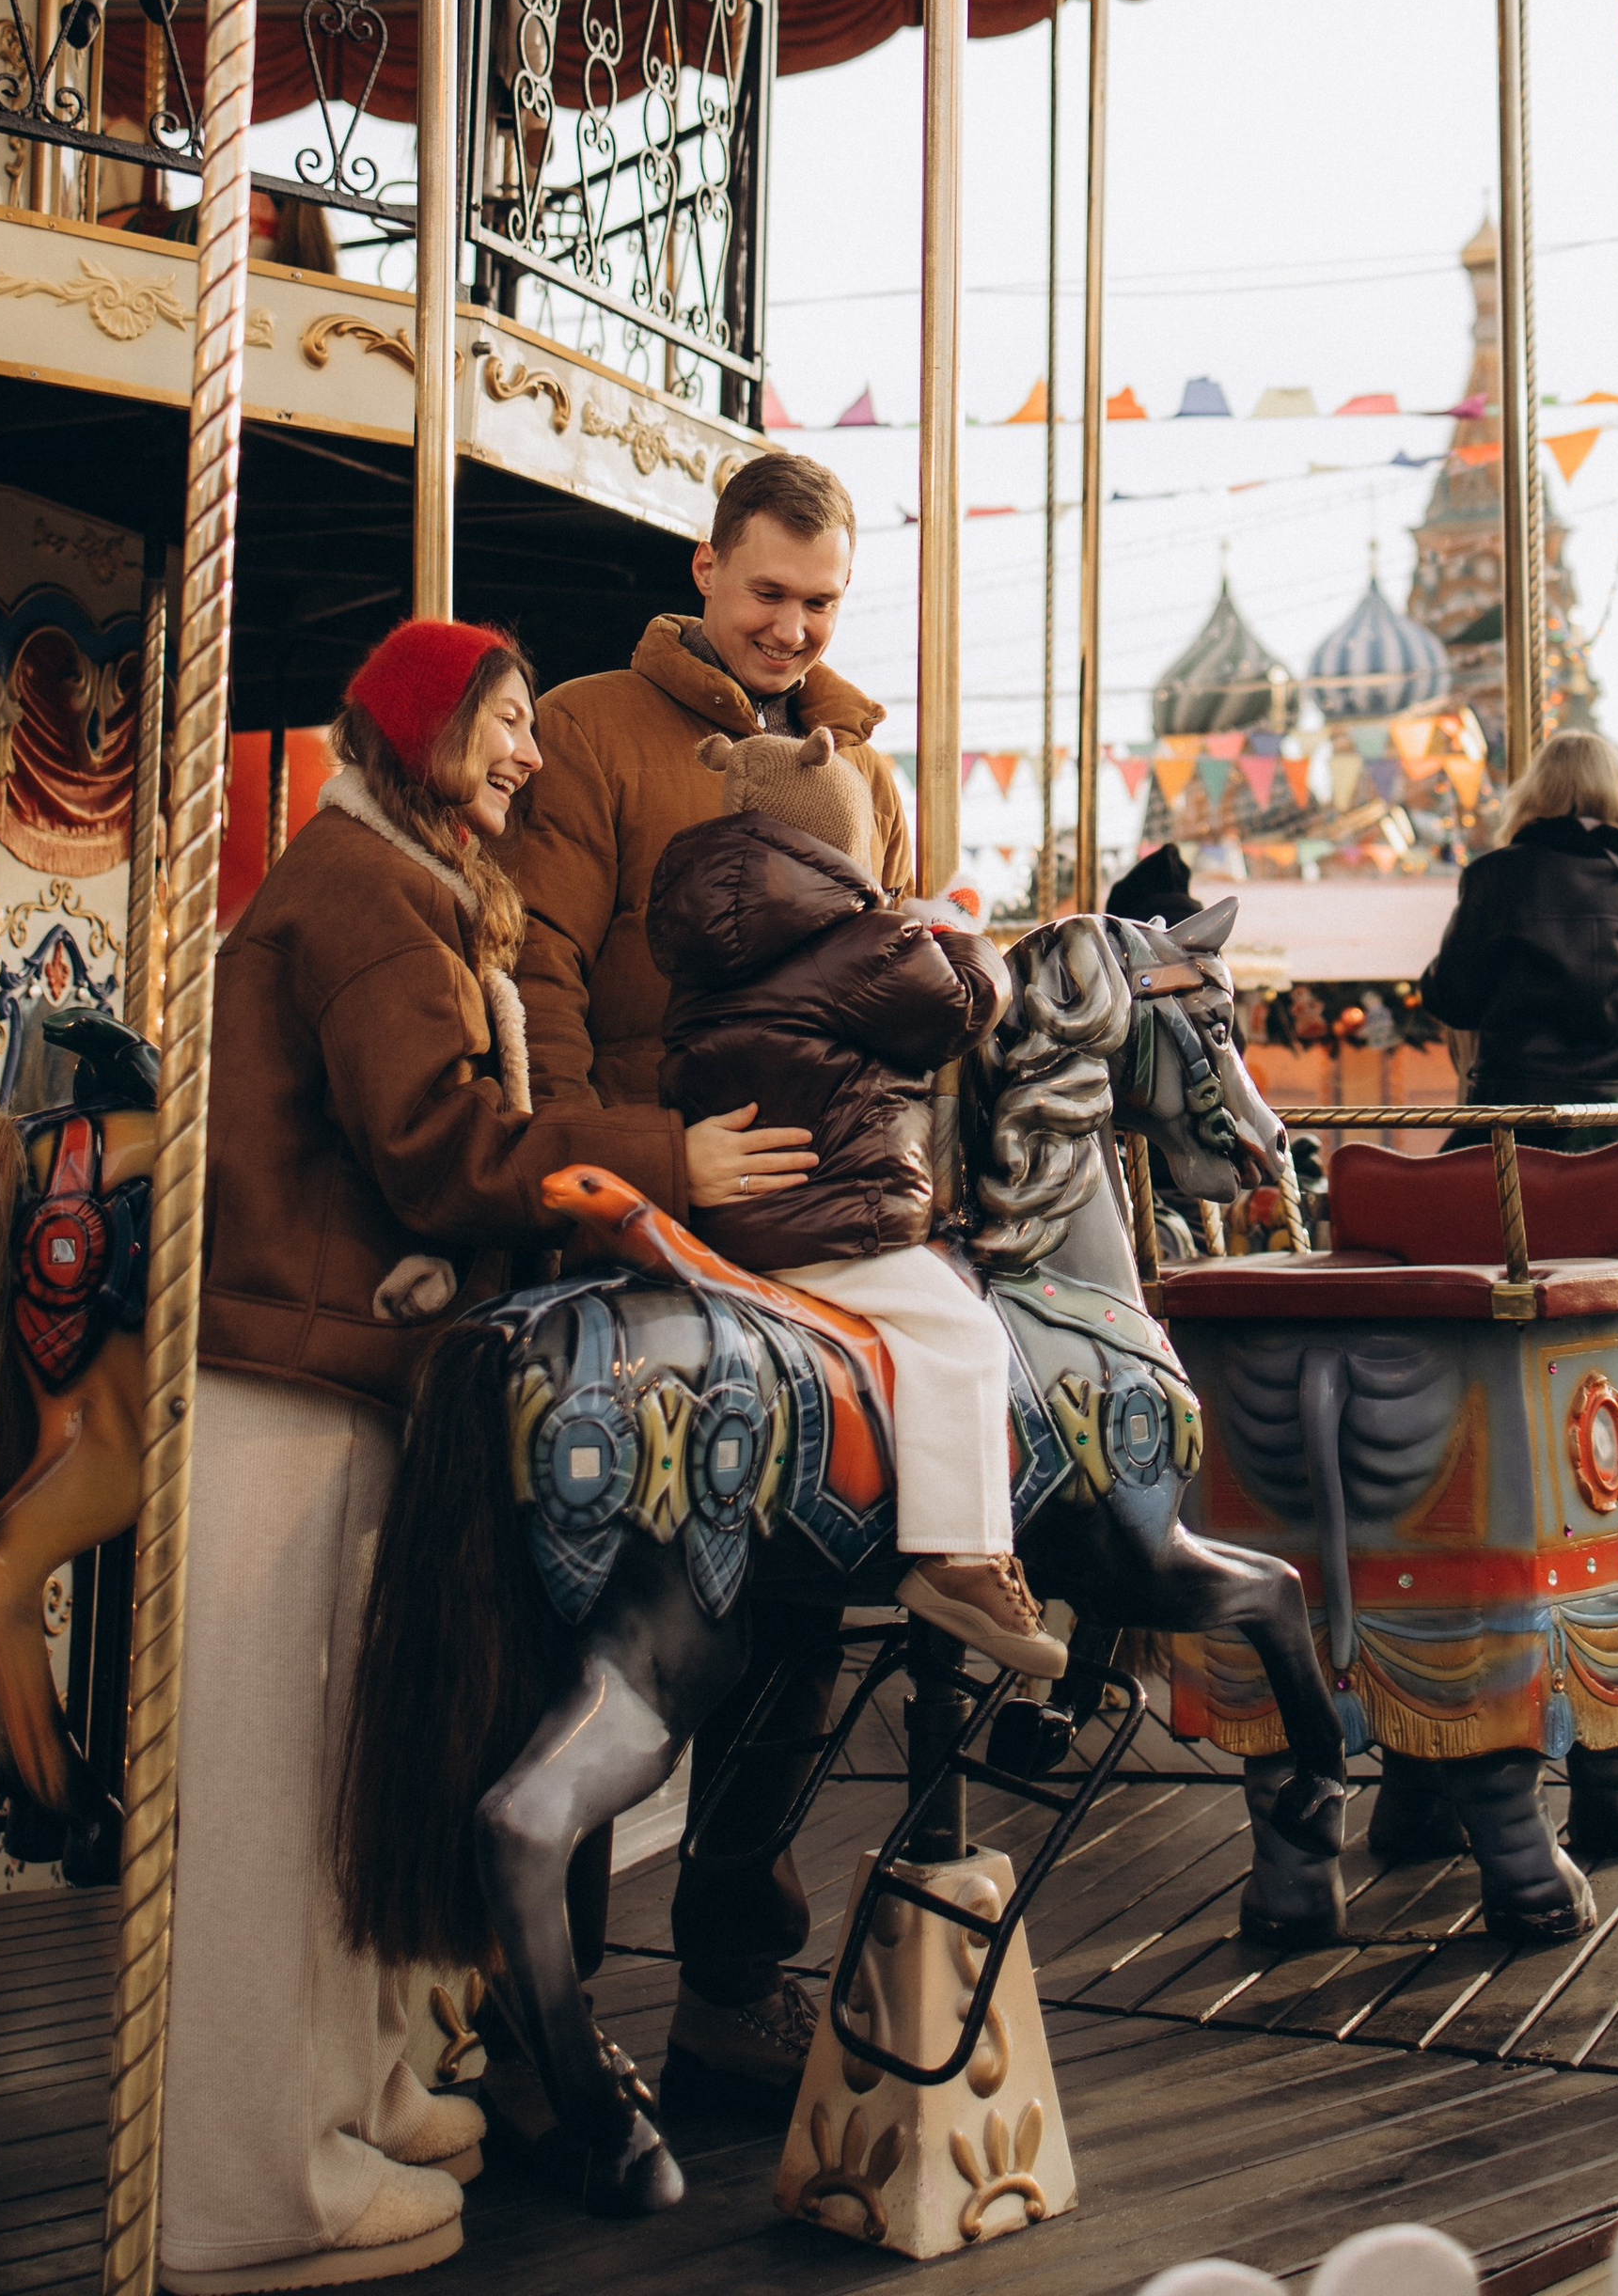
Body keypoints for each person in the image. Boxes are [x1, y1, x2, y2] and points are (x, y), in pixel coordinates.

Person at [160, 619, 716, 2296]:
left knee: (349, 1782)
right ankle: (258, 2193)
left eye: (540, 725)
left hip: (356, 1368)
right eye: (508, 722)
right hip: (298, 1380)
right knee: (273, 1808)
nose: (532, 754)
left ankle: (366, 2101)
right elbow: (436, 1141)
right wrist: (669, 1155)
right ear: (421, 728)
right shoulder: (360, 894)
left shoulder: (403, 882)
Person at [495, 448, 913, 2096]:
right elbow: (534, 973)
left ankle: (738, 1979)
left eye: (819, 602)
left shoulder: (864, 771)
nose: (794, 627)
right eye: (769, 594)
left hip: (806, 1242)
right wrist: (617, 1173)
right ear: (707, 570)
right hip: (637, 1226)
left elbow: (887, 983)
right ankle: (547, 2000)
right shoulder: (600, 732)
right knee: (600, 1610)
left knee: (796, 1610)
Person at [647, 725, 1063, 1675]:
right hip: (836, 1217)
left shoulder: (702, 950)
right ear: (834, 846)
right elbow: (959, 1010)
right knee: (961, 1332)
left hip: (732, 1213)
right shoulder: (859, 941)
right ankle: (960, 1556)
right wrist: (959, 931)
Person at [1416, 731, 1618, 1140]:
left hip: (1519, 1112)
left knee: (1454, 1202)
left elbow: (1454, 1000)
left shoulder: (1495, 874)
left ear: (1535, 792)